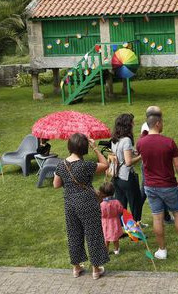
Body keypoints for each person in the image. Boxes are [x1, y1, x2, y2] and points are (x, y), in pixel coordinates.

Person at [136, 108, 178, 260]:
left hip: (150, 186)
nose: (163, 124)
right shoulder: (168, 142)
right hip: (168, 185)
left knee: (157, 218)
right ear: (157, 124)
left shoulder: (140, 143)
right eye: (162, 122)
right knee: (177, 213)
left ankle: (162, 250)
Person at [54, 133, 109, 279]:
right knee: (93, 235)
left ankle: (76, 268)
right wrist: (95, 148)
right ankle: (96, 270)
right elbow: (105, 165)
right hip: (87, 202)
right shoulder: (85, 165)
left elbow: (56, 184)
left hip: (70, 203)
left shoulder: (61, 164)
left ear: (69, 146)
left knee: (74, 234)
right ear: (84, 148)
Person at [110, 114, 144, 226]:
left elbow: (119, 154)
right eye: (132, 122)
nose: (133, 124)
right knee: (135, 202)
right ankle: (135, 228)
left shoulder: (115, 139)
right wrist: (140, 157)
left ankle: (121, 228)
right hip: (127, 177)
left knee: (121, 204)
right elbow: (128, 162)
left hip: (116, 177)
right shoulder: (127, 140)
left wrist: (133, 151)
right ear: (127, 125)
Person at [98, 182, 124, 255]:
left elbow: (100, 213)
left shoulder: (102, 204)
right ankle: (116, 250)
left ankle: (106, 251)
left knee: (106, 238)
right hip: (115, 222)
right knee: (115, 238)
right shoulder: (116, 202)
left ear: (103, 193)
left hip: (105, 223)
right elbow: (121, 210)